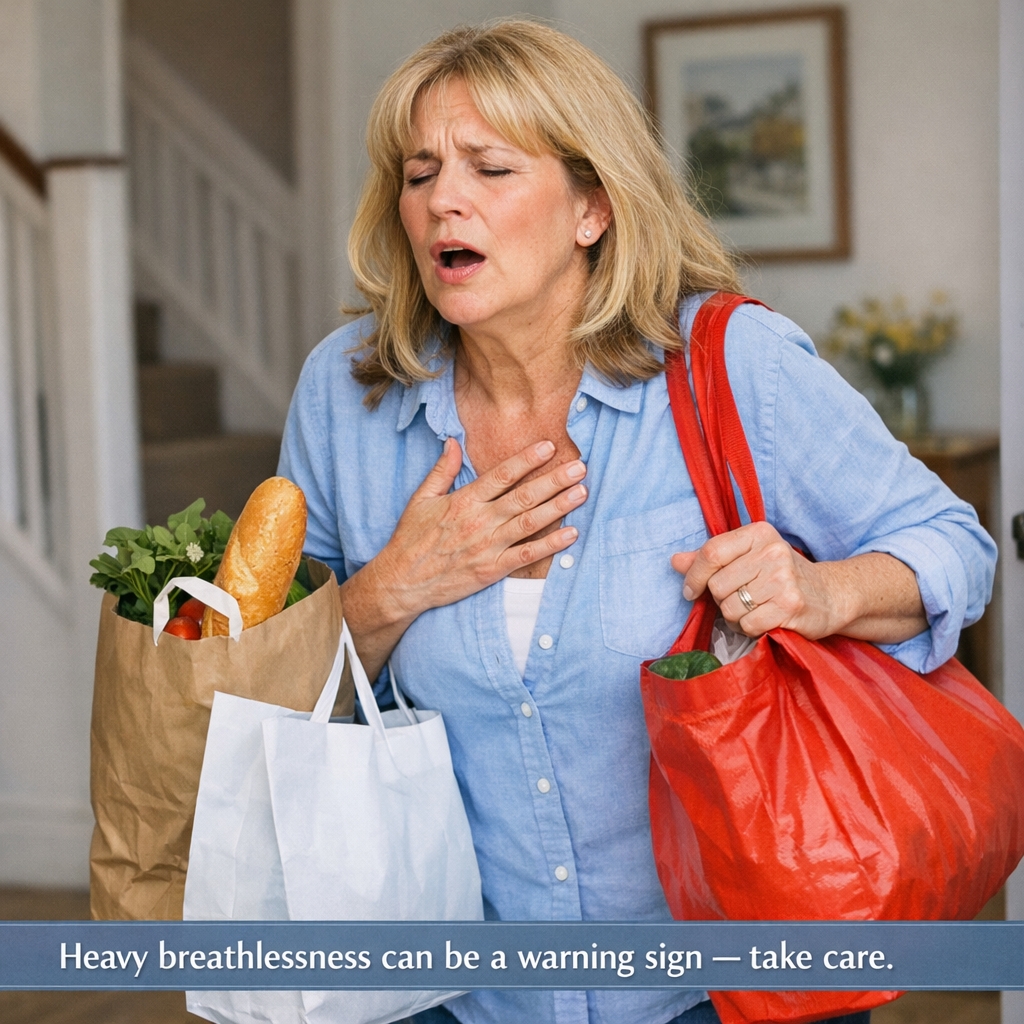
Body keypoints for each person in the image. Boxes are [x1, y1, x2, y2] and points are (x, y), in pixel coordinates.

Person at [278, 20, 996, 1024]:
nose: (442, 197)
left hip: (719, 990)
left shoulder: (732, 364)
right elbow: (265, 694)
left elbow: (952, 546)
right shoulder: (343, 395)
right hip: (455, 996)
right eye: (419, 171)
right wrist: (395, 586)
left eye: (489, 167)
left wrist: (824, 589)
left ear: (592, 208)